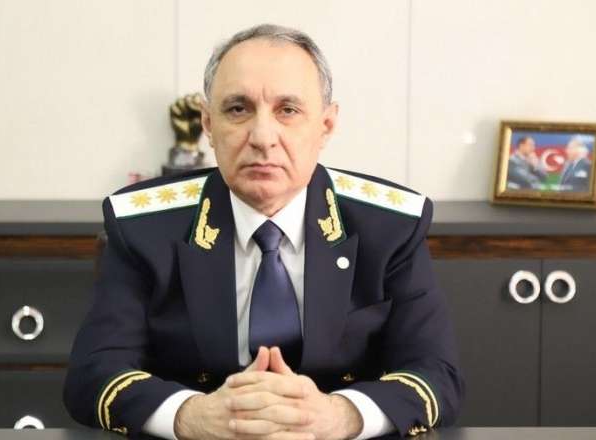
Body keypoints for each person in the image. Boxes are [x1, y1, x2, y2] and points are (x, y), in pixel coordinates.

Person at [64, 24, 464, 440]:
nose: (262, 137)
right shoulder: (143, 227)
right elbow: (95, 372)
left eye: (287, 110)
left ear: (326, 126)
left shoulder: (391, 226)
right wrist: (192, 416)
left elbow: (437, 373)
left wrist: (340, 415)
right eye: (238, 109)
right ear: (208, 123)